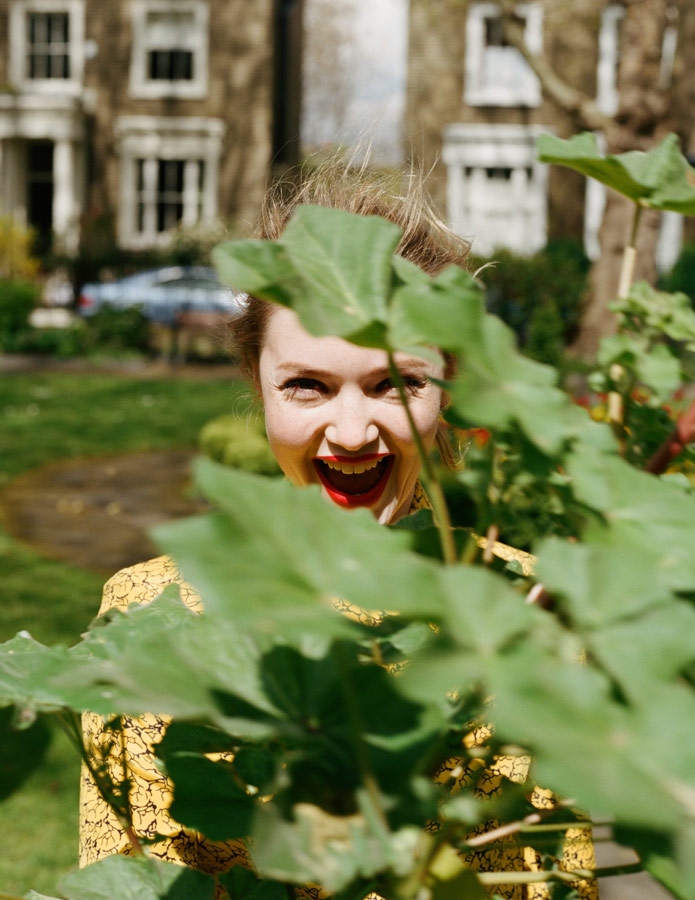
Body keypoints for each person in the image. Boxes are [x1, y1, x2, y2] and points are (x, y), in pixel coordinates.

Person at [79, 158, 596, 899]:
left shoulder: (530, 615)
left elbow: (563, 882)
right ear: (257, 386)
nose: (351, 432)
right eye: (306, 385)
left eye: (395, 384)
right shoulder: (143, 619)